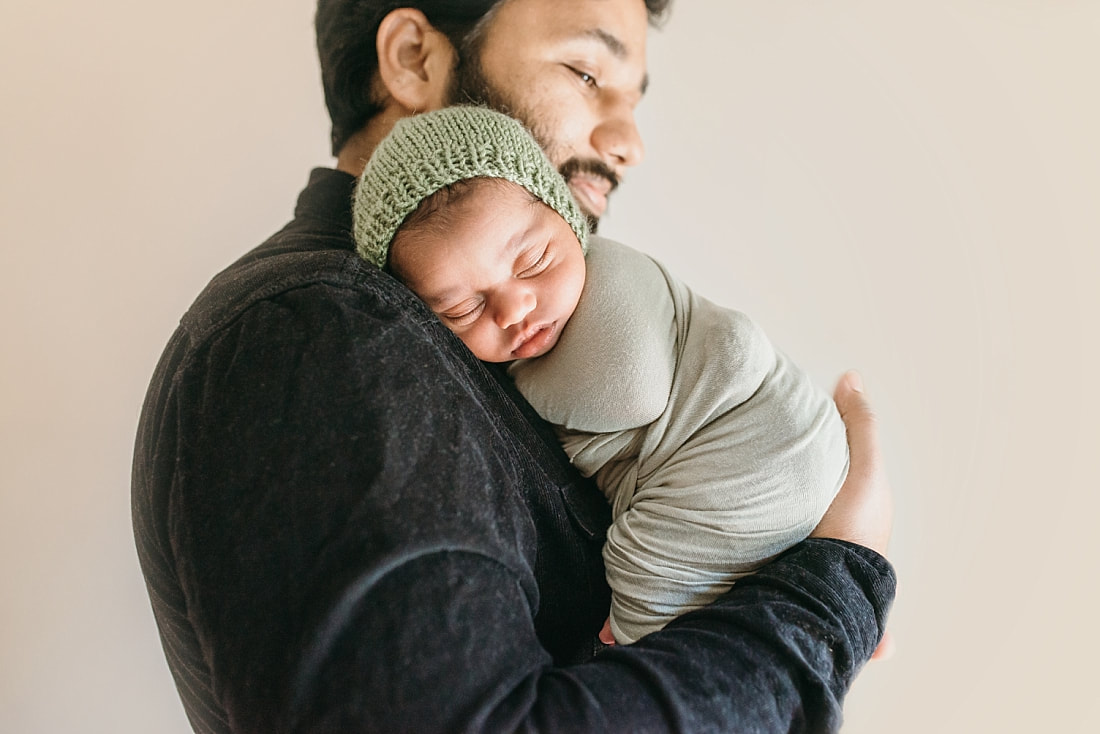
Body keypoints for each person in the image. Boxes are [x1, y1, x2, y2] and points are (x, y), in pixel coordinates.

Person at [131, 1, 896, 732]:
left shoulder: (437, 338)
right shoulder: (321, 334)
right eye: (587, 72)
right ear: (411, 58)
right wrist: (829, 600)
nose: (630, 141)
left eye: (635, 98)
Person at [353, 105, 851, 646]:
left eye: (534, 261)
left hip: (758, 451)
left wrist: (522, 390)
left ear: (567, 216)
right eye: (461, 309)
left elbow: (631, 393)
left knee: (645, 572)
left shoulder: (611, 278)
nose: (514, 307)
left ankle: (635, 652)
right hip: (756, 479)